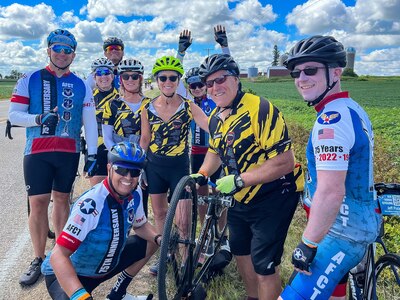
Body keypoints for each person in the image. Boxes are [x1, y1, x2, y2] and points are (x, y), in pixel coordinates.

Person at [279, 35, 381, 300]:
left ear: (336, 72)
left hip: (342, 234)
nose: (301, 78)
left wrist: (308, 243)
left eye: (310, 70)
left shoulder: (331, 121)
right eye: (296, 72)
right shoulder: (350, 107)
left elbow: (330, 191)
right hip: (347, 224)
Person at [192, 53, 301, 300]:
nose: (214, 87)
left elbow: (285, 162)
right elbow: (215, 151)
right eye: (209, 84)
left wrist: (240, 180)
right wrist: (202, 173)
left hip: (275, 194)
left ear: (236, 79)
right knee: (241, 253)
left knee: (264, 264)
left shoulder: (260, 109)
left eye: (221, 80)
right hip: (240, 195)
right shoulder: (215, 118)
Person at [8, 28, 98, 286]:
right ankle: (38, 257)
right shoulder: (30, 78)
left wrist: (91, 153)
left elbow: (89, 121)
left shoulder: (81, 83)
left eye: (67, 50)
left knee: (61, 200)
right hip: (37, 151)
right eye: (57, 49)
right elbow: (14, 115)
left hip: (69, 152)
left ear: (73, 54)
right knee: (38, 203)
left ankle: (61, 254)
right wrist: (37, 119)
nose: (61, 54)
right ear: (48, 50)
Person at [41, 141, 159, 300]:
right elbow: (58, 256)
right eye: (121, 170)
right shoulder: (91, 204)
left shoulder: (135, 191)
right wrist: (80, 296)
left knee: (152, 241)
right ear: (109, 168)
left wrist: (159, 238)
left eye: (135, 172)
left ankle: (118, 294)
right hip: (74, 273)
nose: (128, 177)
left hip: (105, 264)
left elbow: (141, 225)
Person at [140, 55, 209, 275]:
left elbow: (210, 126)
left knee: (183, 219)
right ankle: (166, 256)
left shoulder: (188, 106)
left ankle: (186, 258)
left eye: (173, 78)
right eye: (163, 78)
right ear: (157, 80)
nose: (168, 82)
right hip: (154, 165)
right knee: (160, 213)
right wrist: (141, 167)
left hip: (179, 166)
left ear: (179, 80)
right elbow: (145, 139)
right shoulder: (147, 107)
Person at [102, 58, 151, 215]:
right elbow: (107, 137)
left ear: (141, 78)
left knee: (141, 201)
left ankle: (141, 237)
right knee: (116, 203)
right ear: (120, 79)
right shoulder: (112, 104)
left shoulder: (150, 104)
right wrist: (119, 156)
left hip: (143, 156)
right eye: (126, 76)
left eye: (134, 76)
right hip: (119, 157)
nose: (130, 80)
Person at [89, 57, 119, 186]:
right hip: (96, 148)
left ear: (112, 76)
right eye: (99, 73)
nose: (103, 76)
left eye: (107, 73)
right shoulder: (88, 97)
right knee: (98, 190)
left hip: (116, 146)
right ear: (94, 77)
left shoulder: (120, 97)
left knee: (119, 189)